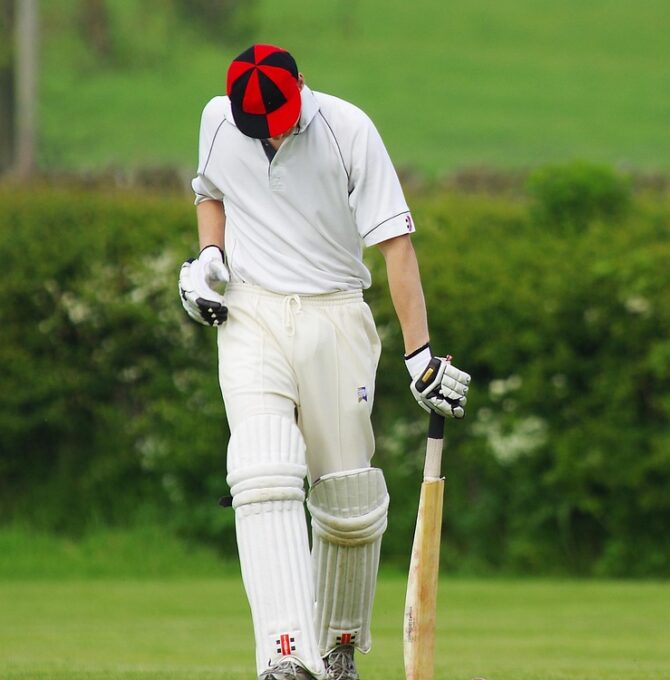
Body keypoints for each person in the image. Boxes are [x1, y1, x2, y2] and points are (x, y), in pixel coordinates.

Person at [178, 44, 471, 680]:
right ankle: (285, 657)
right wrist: (208, 259)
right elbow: (210, 192)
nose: (273, 134)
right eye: (260, 126)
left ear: (301, 86)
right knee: (262, 470)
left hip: (335, 313)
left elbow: (395, 246)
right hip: (251, 313)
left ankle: (336, 649)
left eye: (281, 120)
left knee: (348, 500)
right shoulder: (218, 120)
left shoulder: (348, 129)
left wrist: (419, 355)